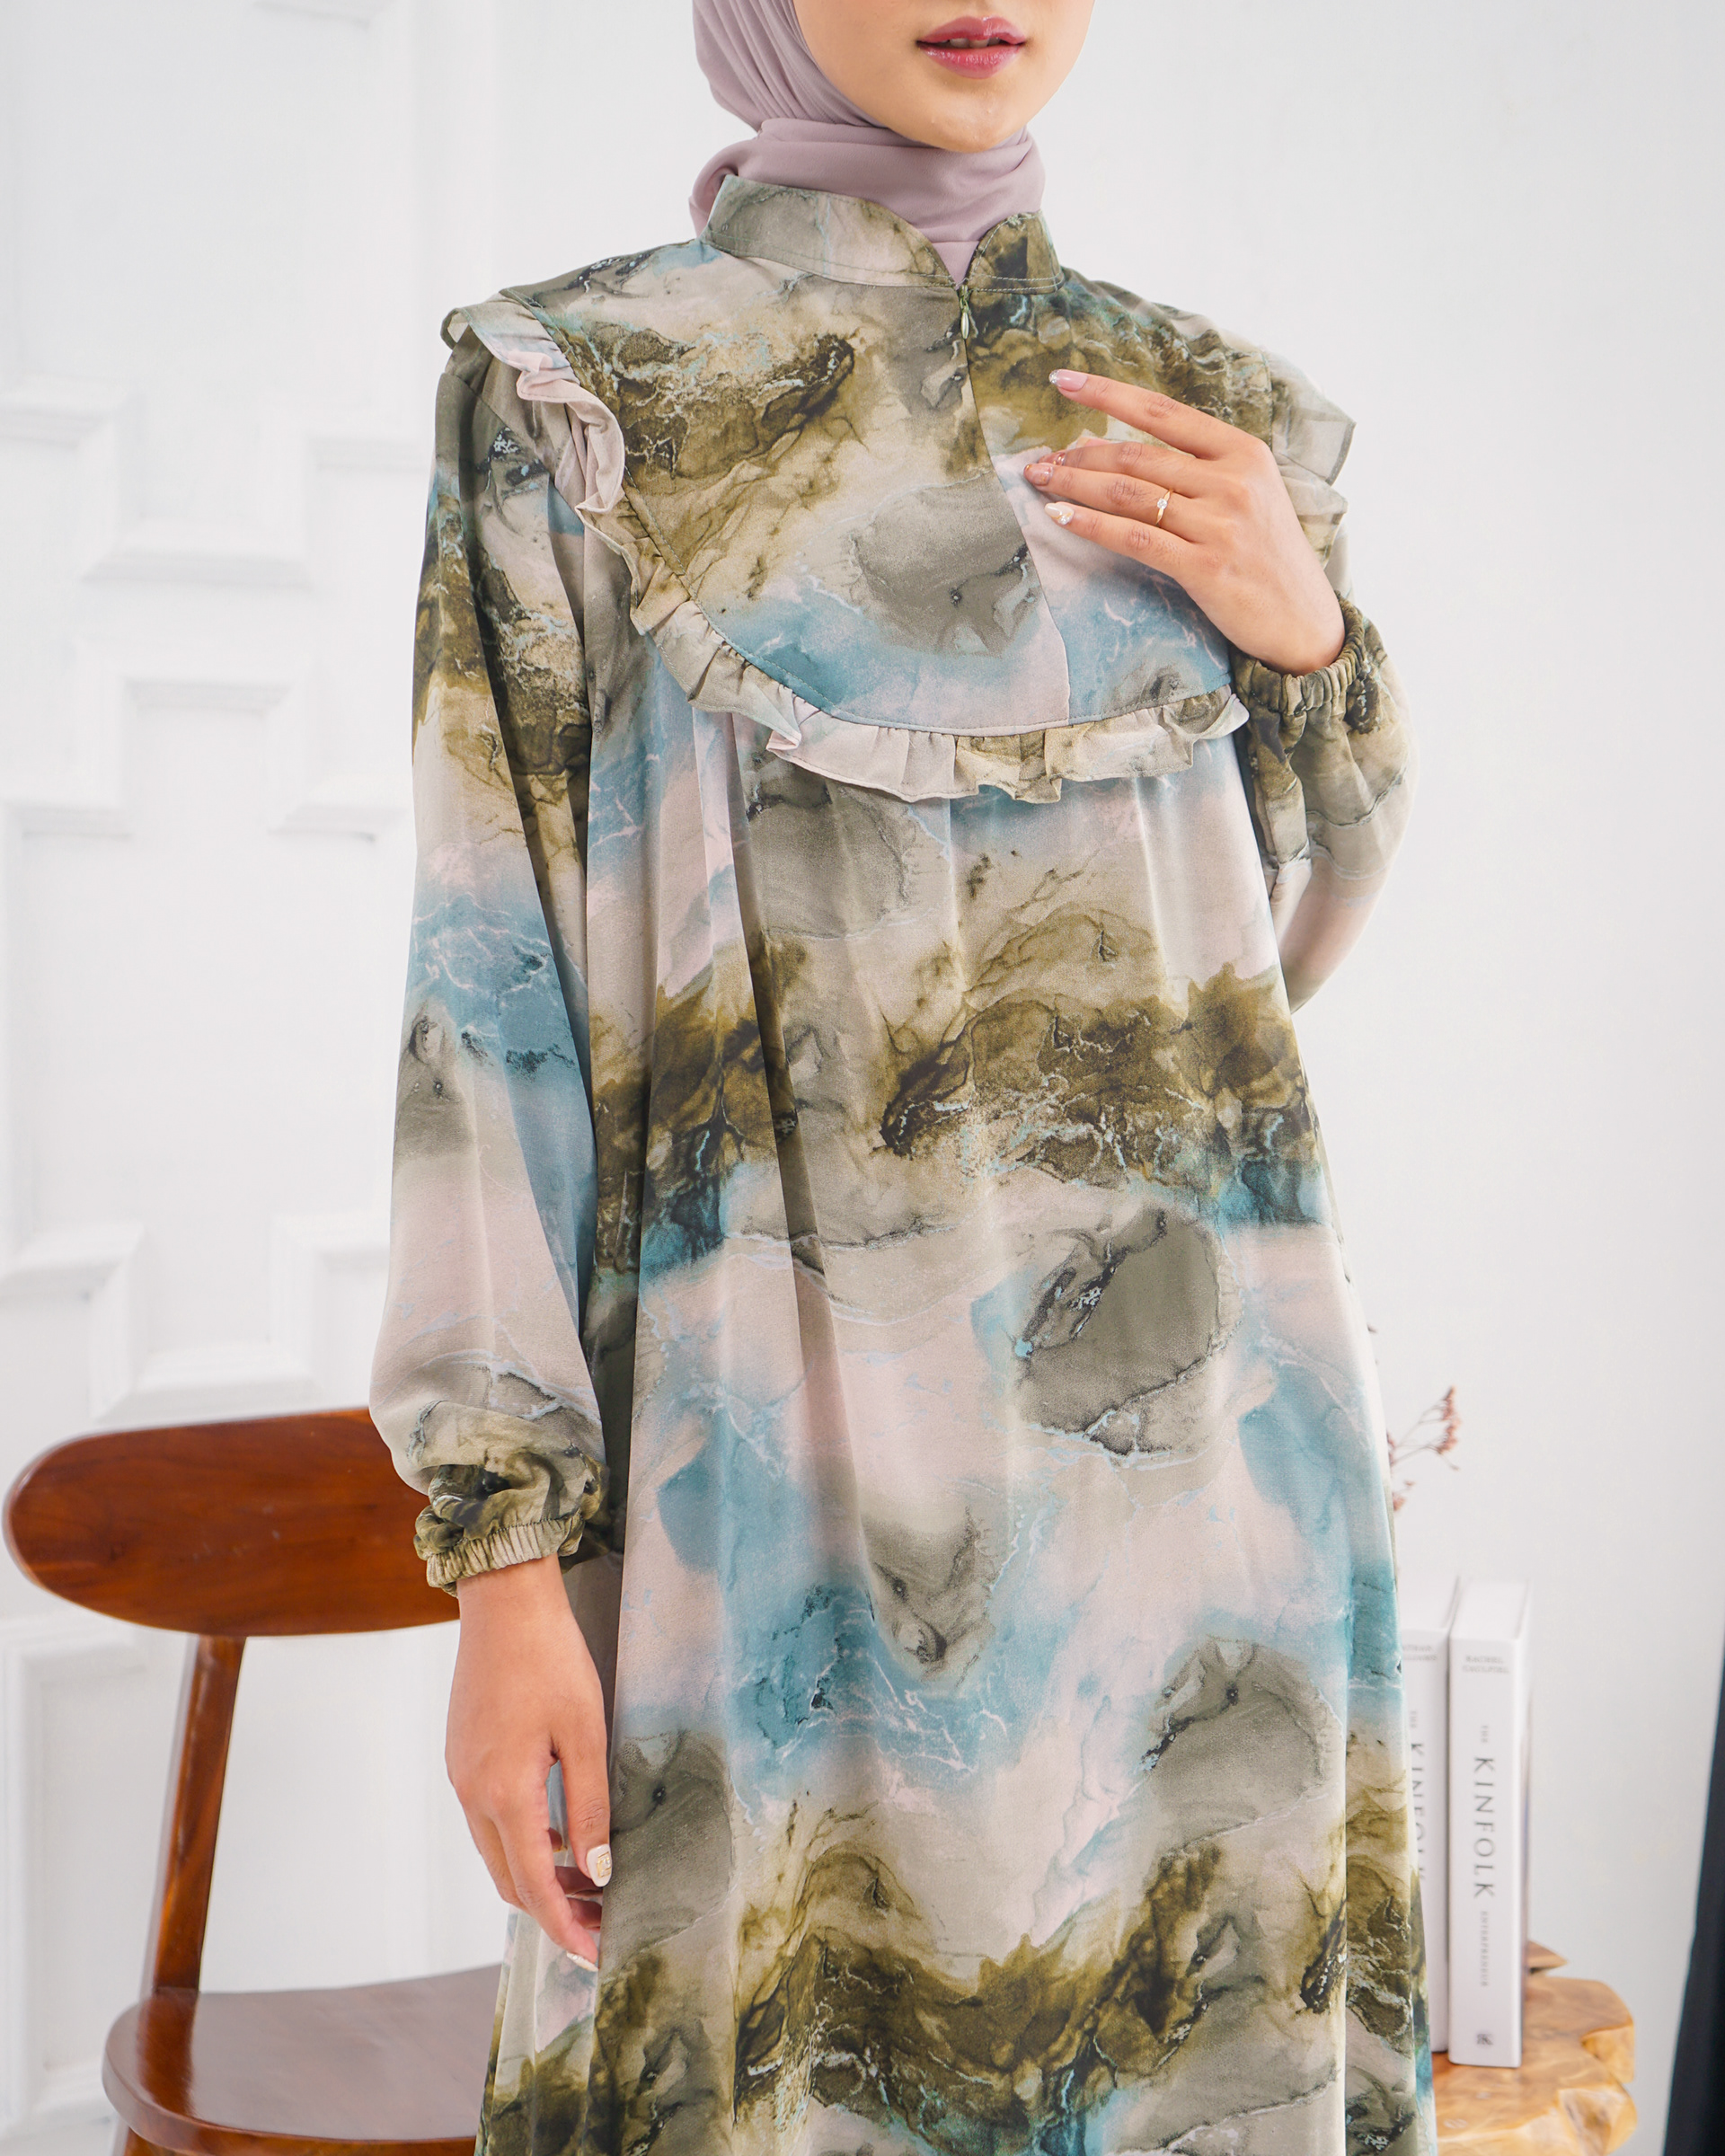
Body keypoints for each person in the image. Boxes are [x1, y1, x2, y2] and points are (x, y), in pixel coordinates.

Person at [370, 3, 1431, 2151]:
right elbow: (489, 1002)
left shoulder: (1201, 413)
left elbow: (1282, 954)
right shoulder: (579, 392)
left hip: (1205, 1515)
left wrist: (1311, 644)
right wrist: (502, 1566)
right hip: (764, 1488)